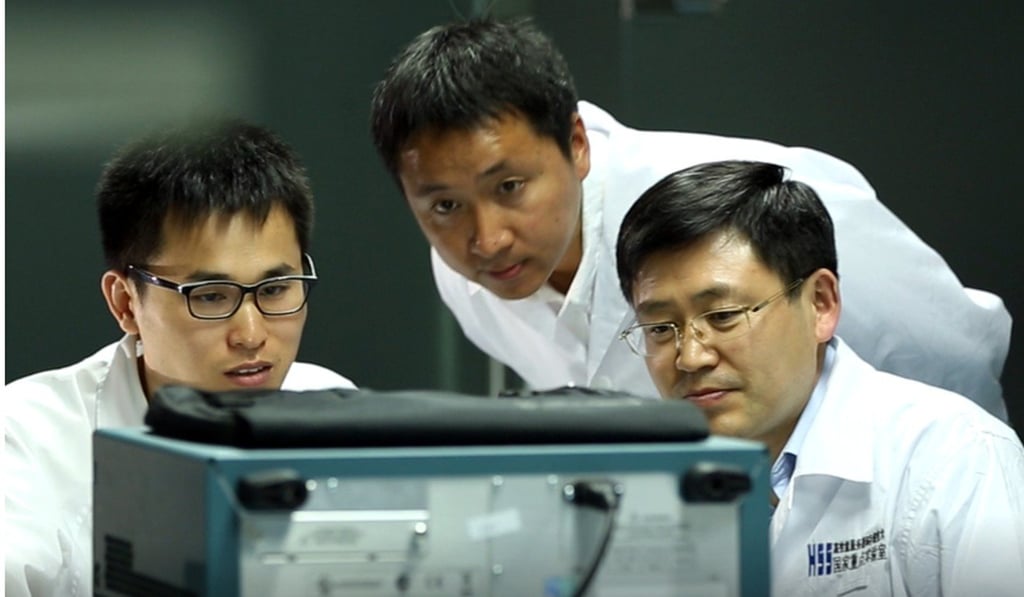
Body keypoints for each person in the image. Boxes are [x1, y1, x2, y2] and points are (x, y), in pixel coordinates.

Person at [369, 17, 1011, 420]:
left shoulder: (745, 199)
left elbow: (949, 354)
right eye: (443, 206)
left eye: (510, 186)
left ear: (576, 143)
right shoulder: (464, 271)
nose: (486, 237)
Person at [614, 159, 1024, 595]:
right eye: (660, 329)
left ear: (821, 304)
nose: (691, 357)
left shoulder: (951, 456)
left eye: (724, 316)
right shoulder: (633, 492)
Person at [4, 119, 356, 596]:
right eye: (210, 297)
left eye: (274, 289)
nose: (251, 335)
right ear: (126, 304)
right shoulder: (28, 440)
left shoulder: (335, 412)